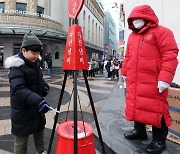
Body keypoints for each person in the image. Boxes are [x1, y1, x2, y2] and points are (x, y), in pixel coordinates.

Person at [121, 5, 179, 154]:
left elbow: (170, 55)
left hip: (154, 81)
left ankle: (159, 140)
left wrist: (165, 79)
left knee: (157, 109)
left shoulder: (163, 33)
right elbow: (127, 56)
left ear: (147, 17)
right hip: (135, 80)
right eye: (132, 18)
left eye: (137, 18)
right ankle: (139, 131)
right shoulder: (132, 36)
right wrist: (125, 71)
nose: (134, 21)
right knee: (136, 105)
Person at [5, 32, 51, 154]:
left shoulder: (35, 63)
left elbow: (39, 80)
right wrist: (38, 100)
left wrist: (44, 87)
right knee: (21, 140)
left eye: (38, 52)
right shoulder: (16, 67)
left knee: (39, 133)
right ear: (24, 50)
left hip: (36, 108)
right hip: (22, 111)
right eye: (33, 52)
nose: (36, 56)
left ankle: (41, 152)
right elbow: (19, 89)